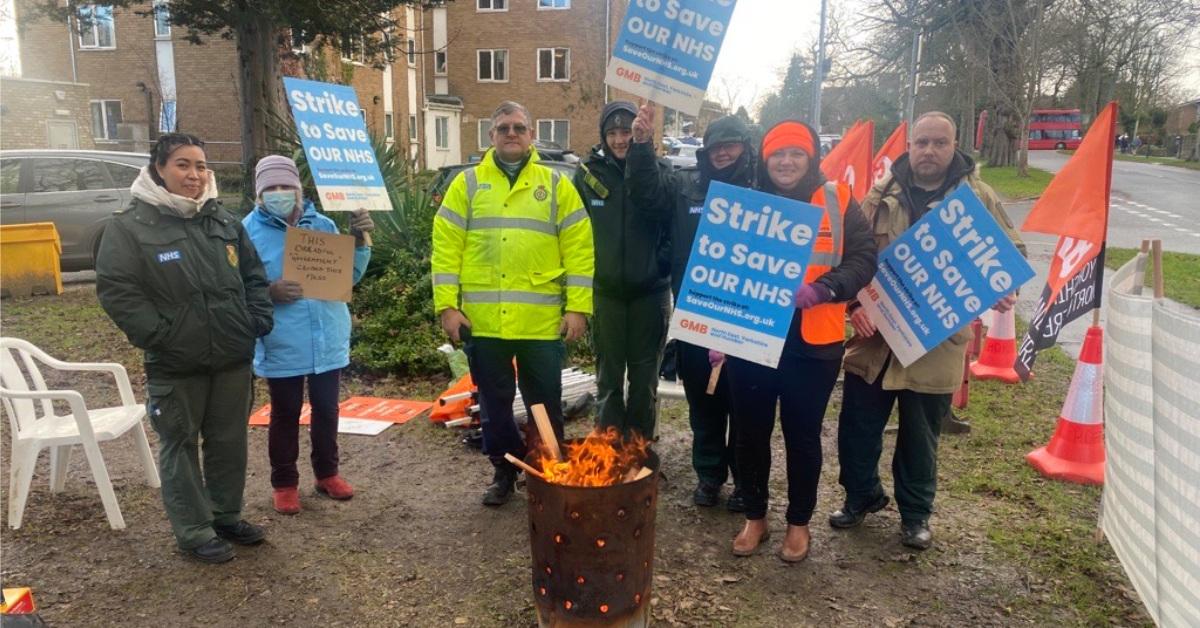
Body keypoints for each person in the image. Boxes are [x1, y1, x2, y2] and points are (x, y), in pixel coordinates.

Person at [831, 112, 1024, 550]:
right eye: (921, 142)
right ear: (910, 146)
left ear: (954, 146)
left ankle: (915, 516)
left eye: (939, 143)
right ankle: (860, 497)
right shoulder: (880, 195)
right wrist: (854, 302)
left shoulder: (978, 198)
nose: (929, 151)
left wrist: (1001, 286)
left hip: (935, 345)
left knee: (920, 441)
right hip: (876, 341)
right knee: (856, 429)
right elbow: (850, 255)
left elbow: (1010, 254)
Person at [96, 133, 273, 563]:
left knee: (229, 441)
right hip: (176, 362)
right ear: (159, 168)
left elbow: (253, 276)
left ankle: (225, 514)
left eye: (200, 165)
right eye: (182, 164)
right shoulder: (130, 226)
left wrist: (255, 321)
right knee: (179, 444)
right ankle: (194, 530)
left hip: (231, 355)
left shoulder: (223, 222)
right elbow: (118, 290)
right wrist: (161, 336)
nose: (194, 175)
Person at [720, 120, 876, 561]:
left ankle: (798, 524)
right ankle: (755, 517)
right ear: (765, 160)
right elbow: (722, 261)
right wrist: (714, 326)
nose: (785, 162)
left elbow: (864, 258)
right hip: (751, 336)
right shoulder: (747, 204)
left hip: (814, 342)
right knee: (749, 434)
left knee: (802, 436)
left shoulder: (838, 200)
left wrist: (826, 288)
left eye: (795, 154)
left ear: (811, 158)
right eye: (777, 155)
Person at [431, 101, 595, 506]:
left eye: (519, 127)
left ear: (531, 135)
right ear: (491, 136)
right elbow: (445, 249)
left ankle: (549, 473)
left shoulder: (556, 186)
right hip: (484, 323)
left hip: (540, 325)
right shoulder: (467, 185)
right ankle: (504, 472)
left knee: (546, 404)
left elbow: (579, 249)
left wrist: (578, 307)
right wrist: (447, 307)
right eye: (503, 127)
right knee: (495, 407)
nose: (511, 134)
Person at [627, 106, 755, 510]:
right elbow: (646, 193)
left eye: (731, 145)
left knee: (746, 407)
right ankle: (710, 476)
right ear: (706, 151)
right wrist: (643, 145)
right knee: (704, 405)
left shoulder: (763, 188)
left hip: (750, 319)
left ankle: (745, 482)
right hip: (697, 314)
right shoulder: (684, 187)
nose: (723, 153)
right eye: (716, 147)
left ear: (745, 148)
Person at [241, 155, 375, 515]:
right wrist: (268, 292)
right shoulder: (246, 233)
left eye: (286, 186)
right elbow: (235, 286)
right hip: (282, 339)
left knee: (327, 409)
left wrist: (360, 241)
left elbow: (350, 278)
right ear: (259, 194)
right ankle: (284, 483)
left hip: (327, 336)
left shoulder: (325, 224)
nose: (280, 193)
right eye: (271, 188)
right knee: (284, 413)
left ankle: (327, 473)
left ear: (299, 190)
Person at [572, 101, 671, 439]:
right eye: (611, 133)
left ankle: (640, 447)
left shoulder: (661, 170)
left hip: (649, 292)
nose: (619, 139)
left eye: (626, 131)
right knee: (609, 377)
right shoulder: (586, 174)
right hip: (606, 293)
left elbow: (668, 219)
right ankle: (609, 446)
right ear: (602, 135)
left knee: (644, 379)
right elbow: (573, 234)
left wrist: (661, 263)